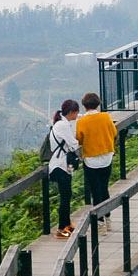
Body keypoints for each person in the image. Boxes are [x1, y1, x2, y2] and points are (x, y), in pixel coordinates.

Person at [75, 91, 118, 211]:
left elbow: (79, 139)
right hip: (106, 156)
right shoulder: (106, 117)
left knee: (95, 190)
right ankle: (107, 216)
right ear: (98, 104)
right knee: (104, 188)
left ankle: (98, 220)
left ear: (84, 105)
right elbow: (114, 132)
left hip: (91, 159)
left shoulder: (82, 121)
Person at [46, 99, 80, 239]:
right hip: (59, 166)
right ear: (71, 112)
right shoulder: (63, 126)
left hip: (60, 166)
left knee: (66, 195)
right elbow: (73, 145)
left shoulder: (61, 123)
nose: (77, 115)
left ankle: (67, 225)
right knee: (65, 197)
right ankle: (62, 229)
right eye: (76, 112)